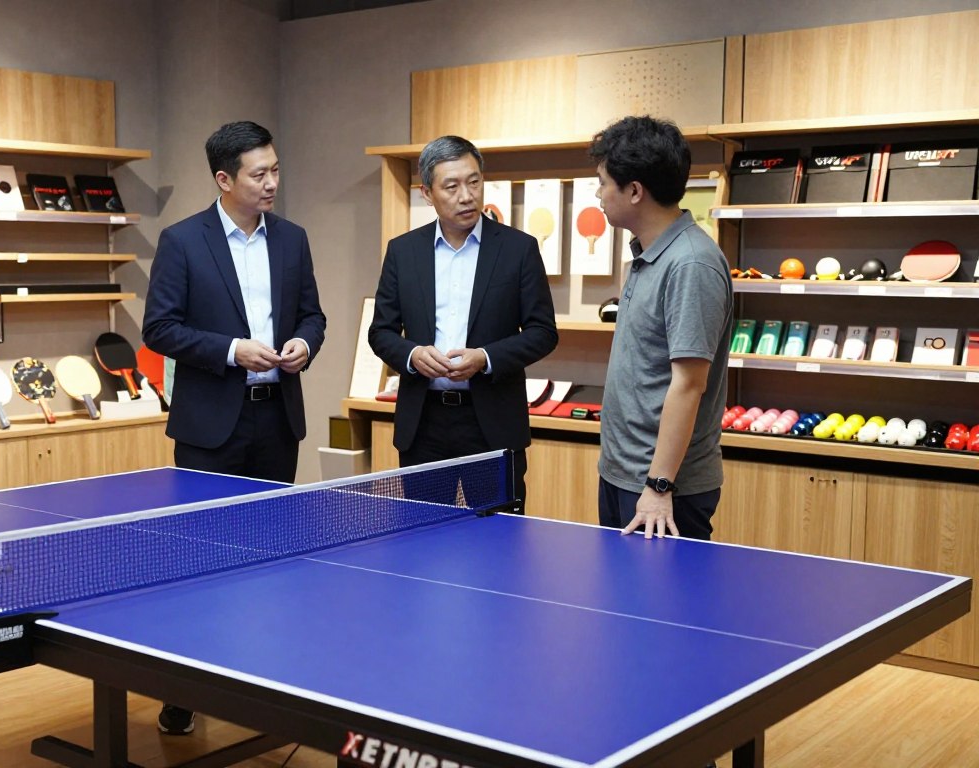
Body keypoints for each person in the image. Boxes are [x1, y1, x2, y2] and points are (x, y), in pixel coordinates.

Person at [142, 120, 326, 735]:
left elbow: (313, 315)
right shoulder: (181, 240)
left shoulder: (293, 239)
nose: (272, 182)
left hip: (277, 419)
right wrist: (230, 351)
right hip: (209, 426)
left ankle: (262, 681)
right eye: (259, 173)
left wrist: (303, 343)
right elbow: (159, 328)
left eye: (275, 170)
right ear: (224, 179)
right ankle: (183, 690)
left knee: (269, 559)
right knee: (199, 563)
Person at [368, 135, 557, 510]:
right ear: (427, 193)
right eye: (451, 186)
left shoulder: (518, 249)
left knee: (499, 535)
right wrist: (412, 356)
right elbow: (381, 332)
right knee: (423, 534)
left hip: (492, 423)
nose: (467, 196)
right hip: (424, 423)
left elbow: (542, 332)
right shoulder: (403, 251)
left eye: (474, 182)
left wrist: (485, 358)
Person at [590, 116, 733, 541]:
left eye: (603, 183)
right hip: (625, 474)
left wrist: (658, 485)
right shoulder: (648, 254)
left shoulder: (692, 263)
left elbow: (689, 384)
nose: (598, 194)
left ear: (634, 191)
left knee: (657, 589)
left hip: (663, 490)